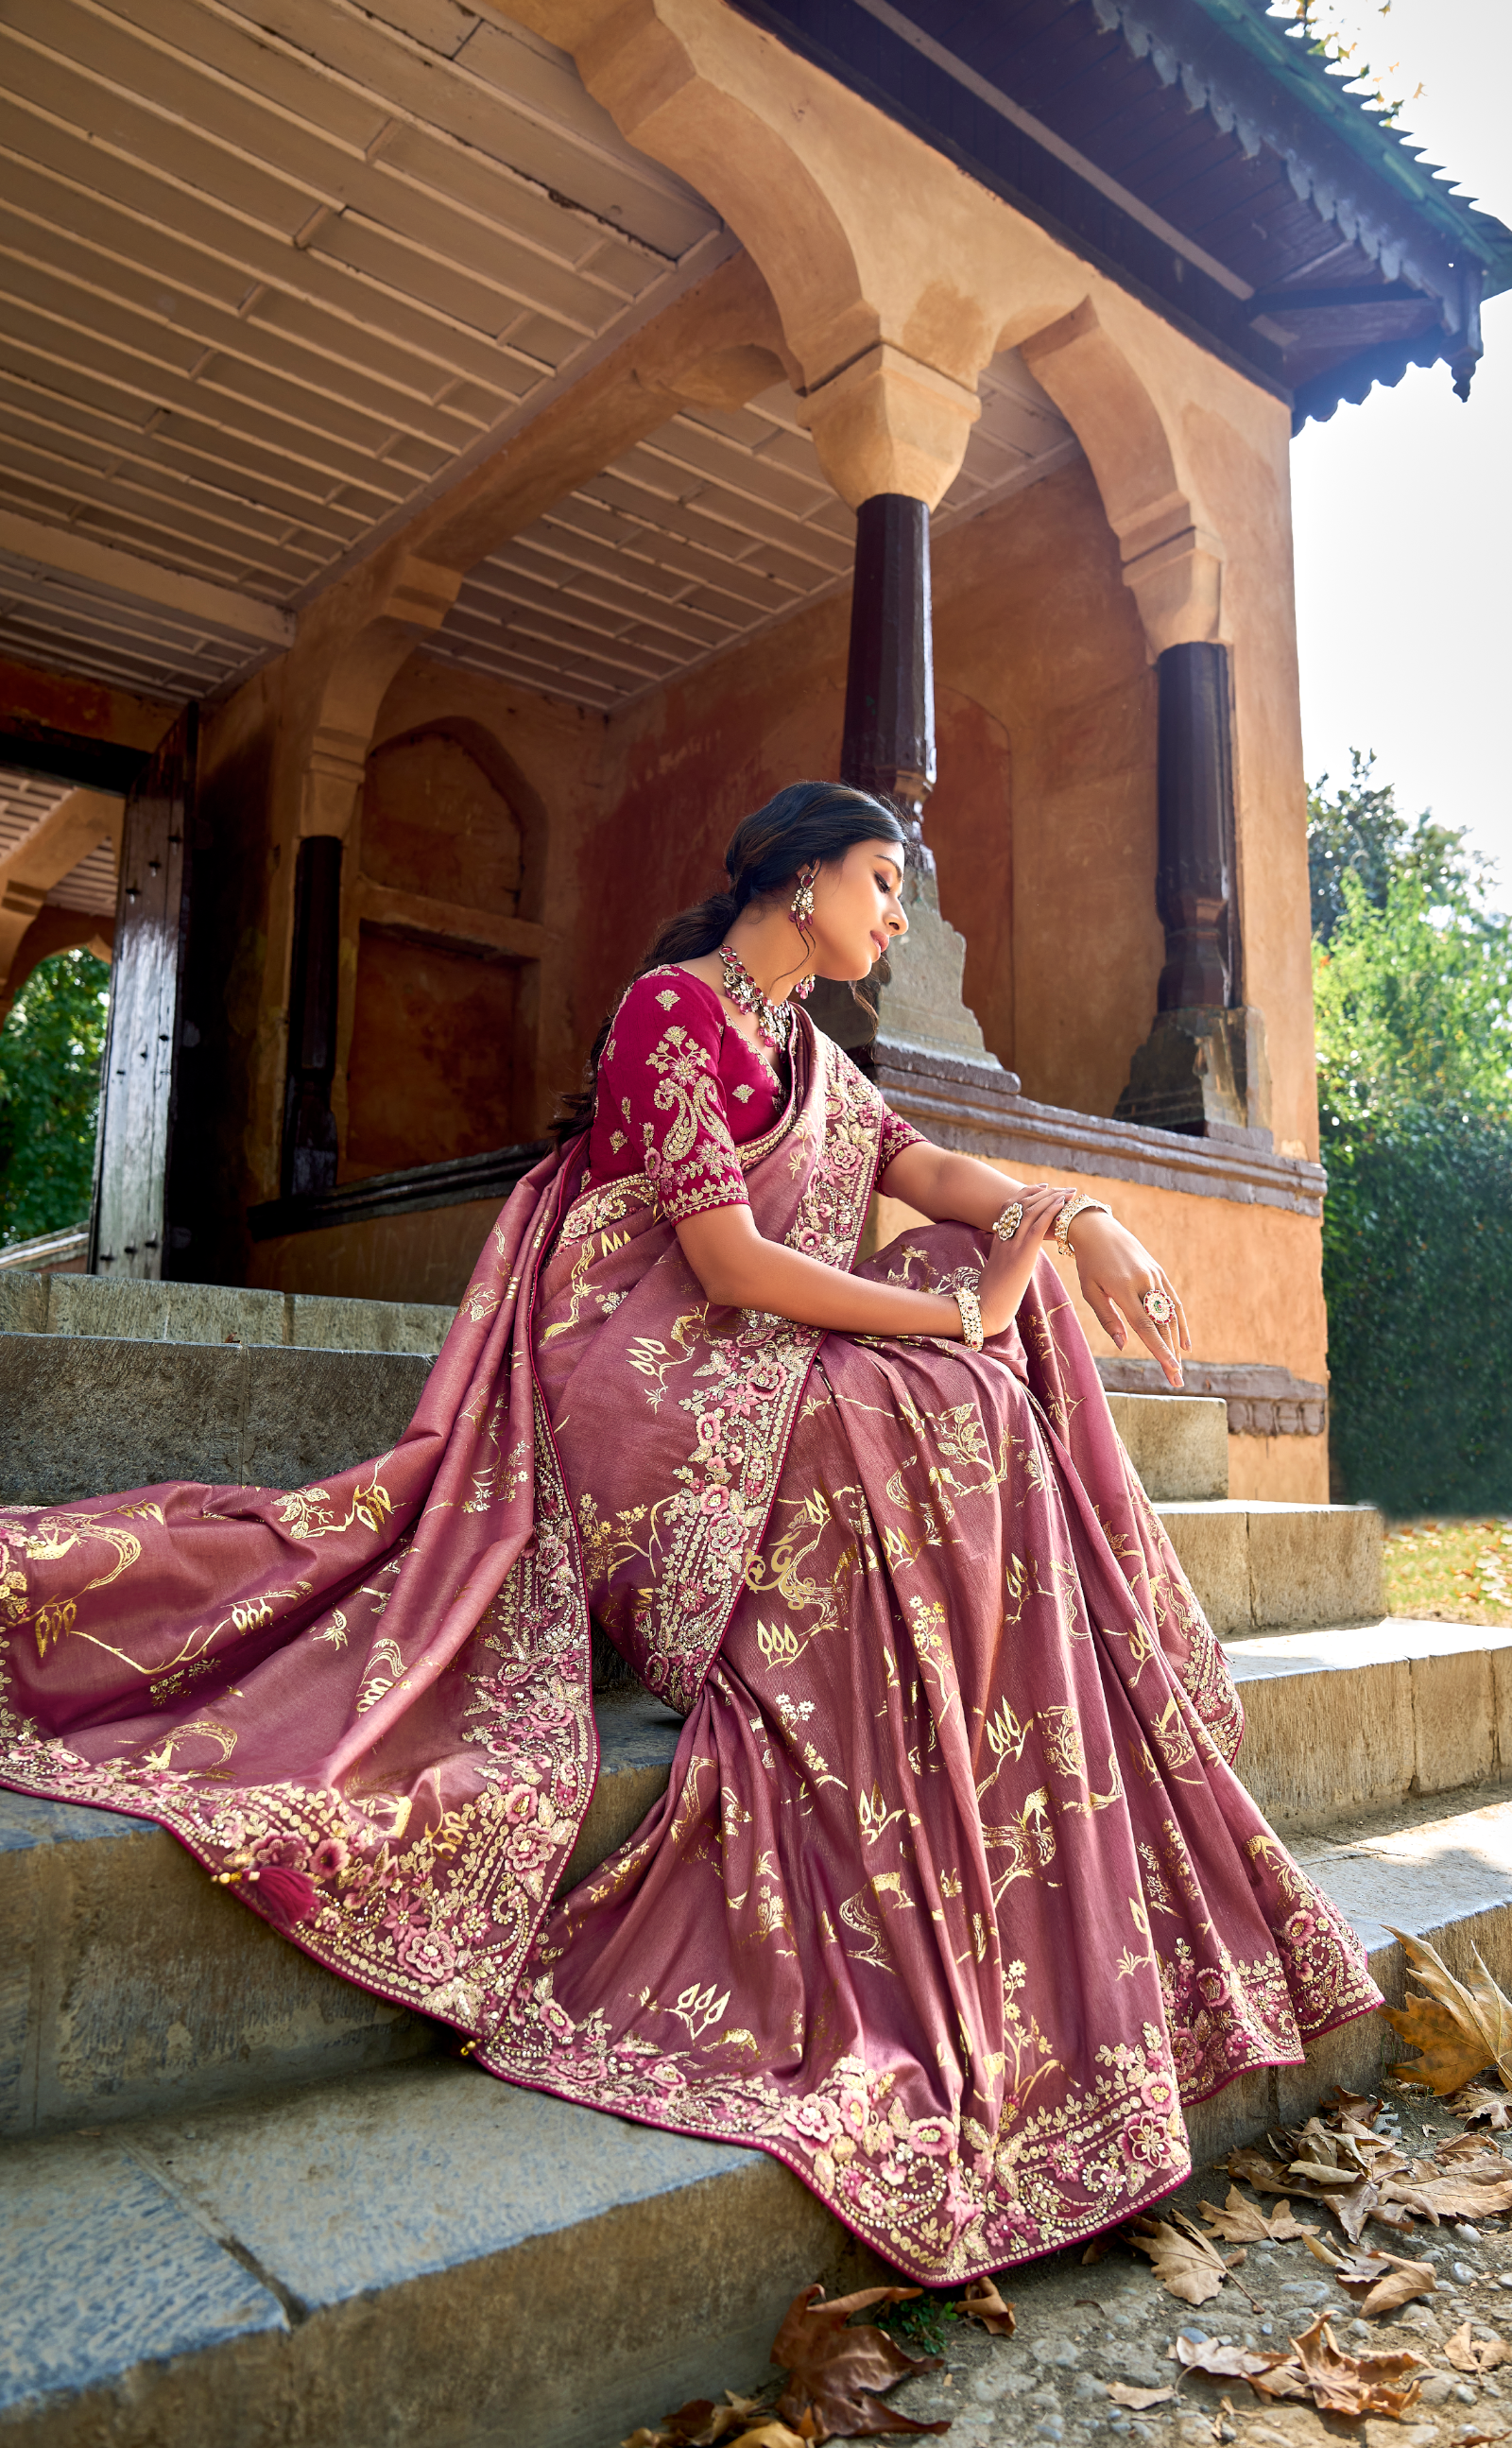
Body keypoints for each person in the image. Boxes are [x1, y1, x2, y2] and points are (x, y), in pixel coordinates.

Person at [0, 780, 1377, 2284]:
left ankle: (973, 1701)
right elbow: (721, 1266)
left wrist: (1078, 1218)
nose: (896, 917)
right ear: (799, 883)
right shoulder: (675, 1015)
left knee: (998, 1305)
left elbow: (929, 1173)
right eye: (882, 884)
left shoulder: (804, 1052)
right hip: (637, 1378)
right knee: (922, 1384)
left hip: (739, 1355)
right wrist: (945, 1314)